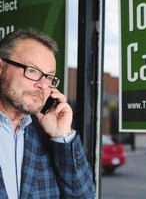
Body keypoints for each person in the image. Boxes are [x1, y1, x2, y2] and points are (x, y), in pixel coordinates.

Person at [0, 28, 96, 198]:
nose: (43, 85)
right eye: (32, 71)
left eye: (49, 77)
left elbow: (84, 196)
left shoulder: (45, 133)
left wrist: (62, 135)